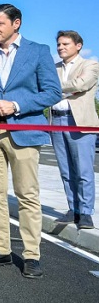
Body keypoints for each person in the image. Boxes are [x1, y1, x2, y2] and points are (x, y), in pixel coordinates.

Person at [0, 3, 61, 279]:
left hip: (23, 131)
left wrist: (16, 105)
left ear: (16, 23)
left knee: (27, 195)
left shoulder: (39, 51)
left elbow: (52, 92)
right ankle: (2, 249)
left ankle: (32, 255)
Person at [49, 30, 99, 229]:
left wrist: (57, 89)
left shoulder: (90, 65)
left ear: (78, 45)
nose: (61, 48)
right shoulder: (53, 68)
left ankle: (86, 212)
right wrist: (68, 89)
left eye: (65, 44)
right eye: (59, 44)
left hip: (79, 122)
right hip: (56, 121)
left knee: (83, 170)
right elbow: (46, 88)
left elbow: (82, 83)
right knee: (66, 170)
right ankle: (73, 209)